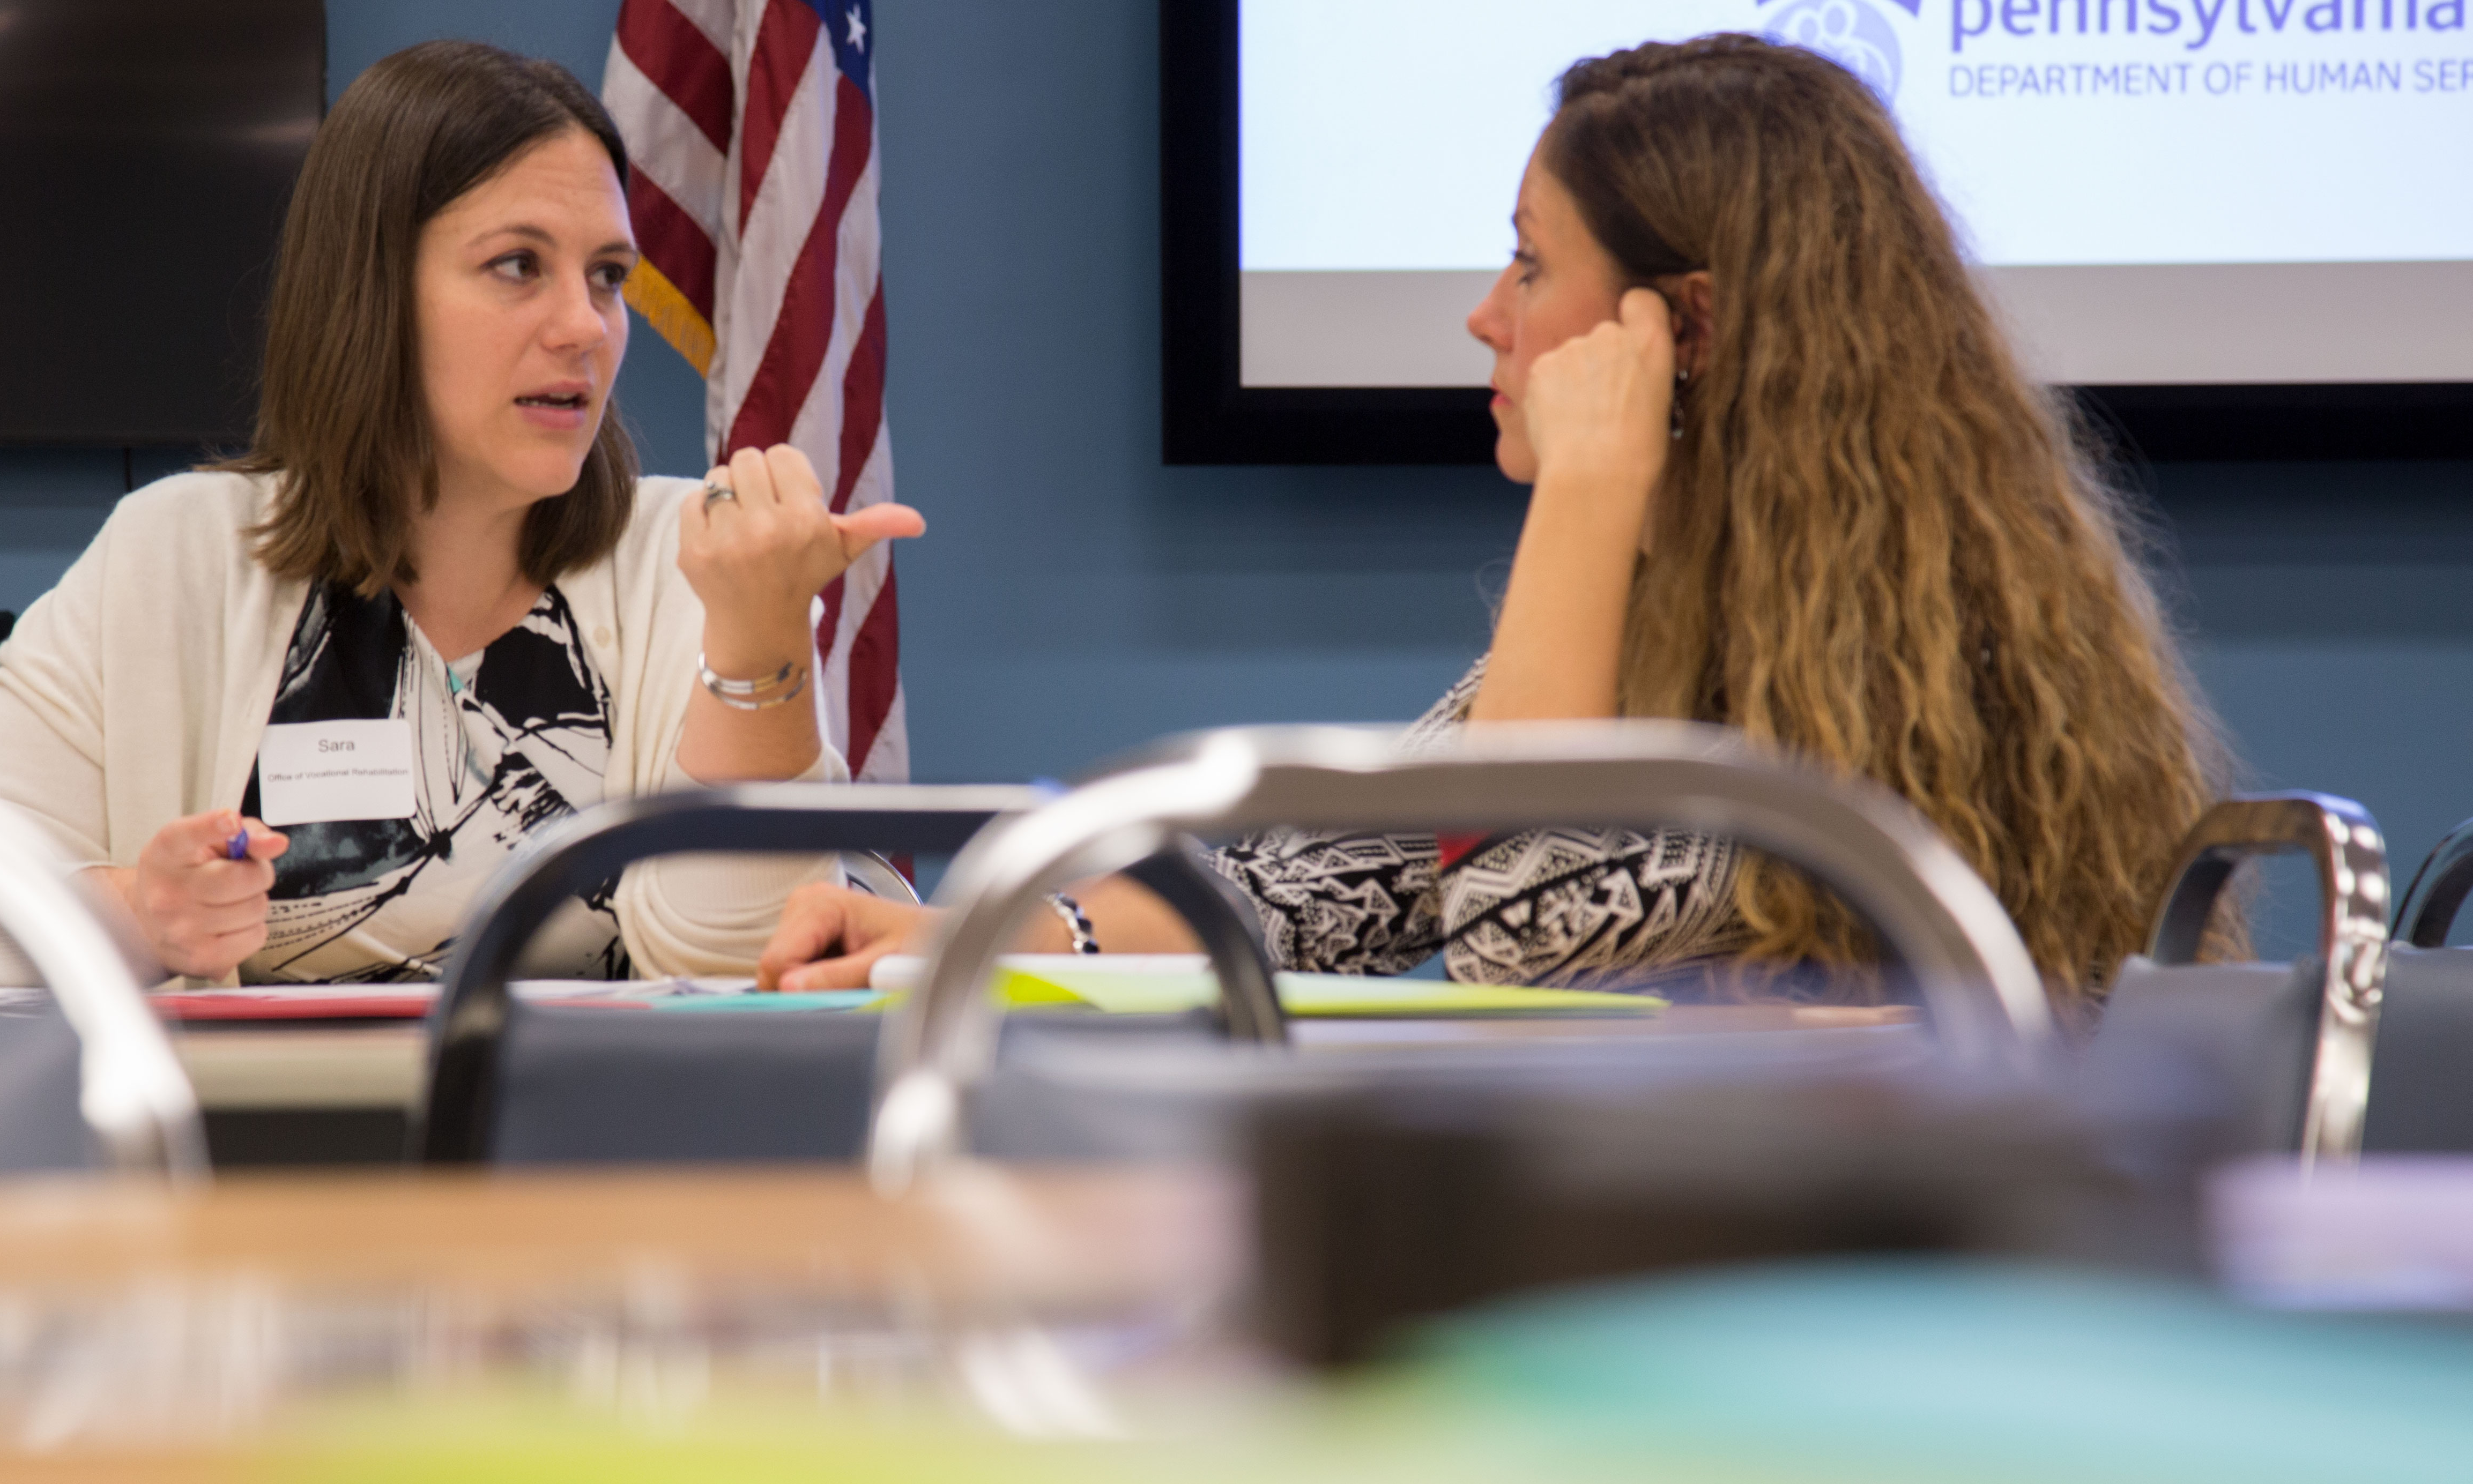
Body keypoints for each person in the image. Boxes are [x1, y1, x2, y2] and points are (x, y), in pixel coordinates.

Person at [763, 33, 2217, 1009]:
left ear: (1686, 326)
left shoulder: (1901, 654)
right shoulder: (1672, 597)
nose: (1484, 315)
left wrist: (1587, 491)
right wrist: (976, 936)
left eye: (1530, 267)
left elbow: (1524, 943)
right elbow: (1322, 885)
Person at [0, 41, 920, 985]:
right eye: (519, 265)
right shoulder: (172, 553)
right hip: (250, 1165)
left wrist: (758, 647)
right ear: (371, 288)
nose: (586, 327)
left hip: (593, 1156)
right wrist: (140, 916)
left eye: (607, 277)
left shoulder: (690, 557)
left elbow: (734, 960)